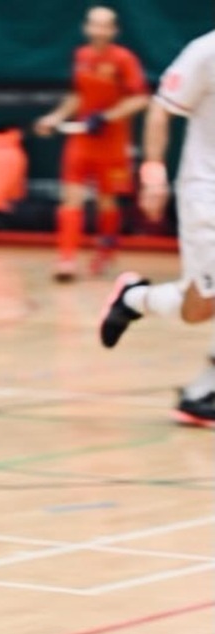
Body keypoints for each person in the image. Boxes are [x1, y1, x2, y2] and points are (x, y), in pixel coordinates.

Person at [99, 29, 215, 428]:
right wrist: (152, 173)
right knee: (202, 307)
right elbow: (162, 108)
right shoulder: (205, 51)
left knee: (202, 306)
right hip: (208, 194)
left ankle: (204, 393)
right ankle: (136, 299)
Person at [34, 6, 149, 282]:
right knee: (71, 197)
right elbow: (77, 96)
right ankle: (66, 260)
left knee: (107, 201)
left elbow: (140, 99)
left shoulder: (124, 60)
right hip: (81, 140)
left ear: (114, 30)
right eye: (94, 24)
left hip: (112, 143)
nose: (98, 30)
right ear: (86, 27)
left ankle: (105, 252)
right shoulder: (81, 56)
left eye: (104, 25)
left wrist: (106, 117)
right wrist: (55, 117)